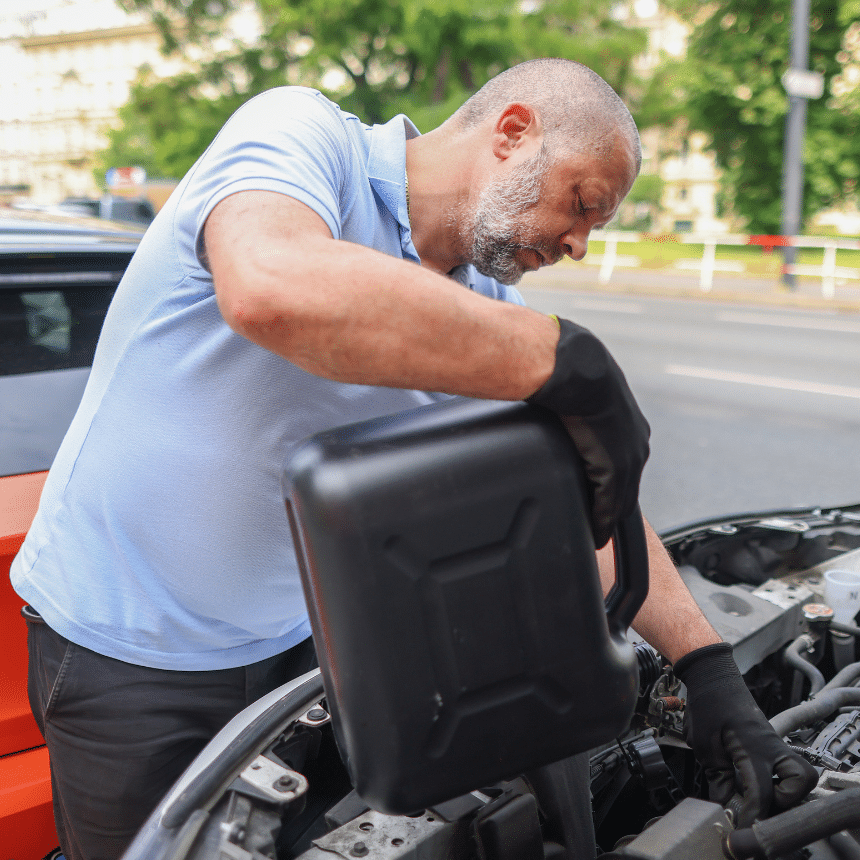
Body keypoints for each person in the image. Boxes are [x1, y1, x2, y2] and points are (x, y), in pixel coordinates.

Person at [11, 58, 816, 860]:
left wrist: (708, 670)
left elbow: (590, 512)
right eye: (582, 204)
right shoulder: (303, 135)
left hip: (302, 658)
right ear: (514, 132)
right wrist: (562, 359)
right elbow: (269, 284)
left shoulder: (483, 309)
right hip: (129, 651)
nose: (577, 243)